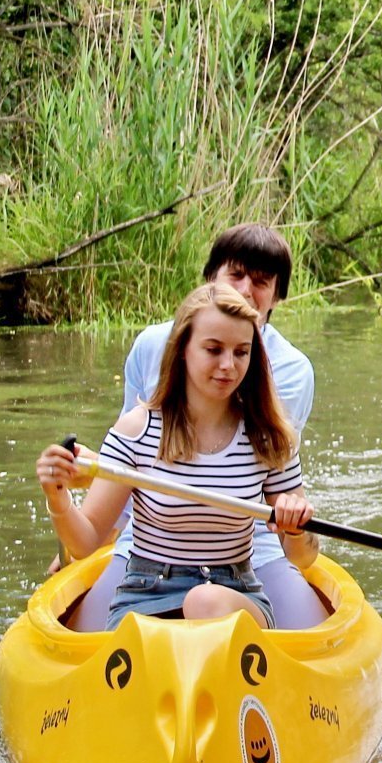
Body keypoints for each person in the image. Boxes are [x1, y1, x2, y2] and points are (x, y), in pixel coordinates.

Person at [66, 225, 329, 630]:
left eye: (261, 282)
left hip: (245, 547)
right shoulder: (149, 353)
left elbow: (270, 489)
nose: (245, 290)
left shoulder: (289, 376)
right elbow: (129, 468)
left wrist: (295, 523)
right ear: (212, 277)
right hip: (151, 542)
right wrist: (77, 525)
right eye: (236, 275)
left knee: (212, 604)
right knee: (87, 626)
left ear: (277, 296)